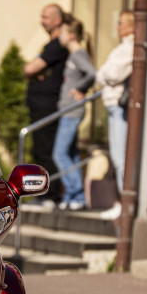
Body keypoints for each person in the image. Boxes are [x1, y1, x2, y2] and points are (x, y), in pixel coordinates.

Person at [23, 3, 69, 204]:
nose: (42, 21)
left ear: (58, 20)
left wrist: (34, 71)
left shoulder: (57, 45)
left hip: (47, 105)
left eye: (46, 17)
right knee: (40, 150)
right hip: (41, 104)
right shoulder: (51, 45)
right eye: (41, 17)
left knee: (46, 150)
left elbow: (30, 69)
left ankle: (50, 195)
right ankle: (44, 194)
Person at [52, 17, 95, 211]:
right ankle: (72, 196)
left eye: (62, 32)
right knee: (70, 154)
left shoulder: (78, 54)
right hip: (67, 110)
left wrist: (80, 89)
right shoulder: (74, 55)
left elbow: (92, 73)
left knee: (59, 154)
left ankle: (77, 193)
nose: (59, 35)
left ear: (71, 35)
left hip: (72, 111)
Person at [95, 10, 135, 219]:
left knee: (120, 157)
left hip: (119, 105)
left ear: (131, 25)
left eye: (120, 23)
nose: (117, 27)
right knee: (116, 155)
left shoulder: (130, 48)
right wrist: (105, 75)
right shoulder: (121, 48)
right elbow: (101, 74)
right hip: (111, 104)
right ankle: (119, 200)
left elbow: (111, 74)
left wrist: (106, 75)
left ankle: (123, 203)